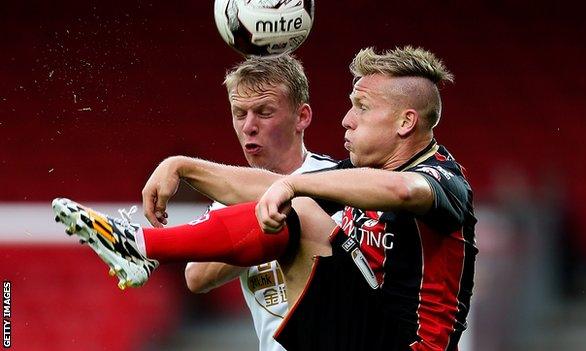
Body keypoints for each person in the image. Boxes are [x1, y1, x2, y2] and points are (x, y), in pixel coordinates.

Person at [52, 46, 477, 351]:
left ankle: (144, 246)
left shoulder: (443, 178)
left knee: (300, 210)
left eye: (361, 107)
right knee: (292, 207)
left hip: (408, 342)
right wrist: (182, 166)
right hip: (355, 332)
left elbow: (404, 191)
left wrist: (293, 186)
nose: (347, 119)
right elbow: (257, 194)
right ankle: (139, 246)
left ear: (406, 122)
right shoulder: (351, 180)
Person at [151, 54, 339, 351]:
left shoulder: (337, 181)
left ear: (302, 117)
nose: (249, 126)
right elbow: (196, 277)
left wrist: (248, 232)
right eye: (240, 114)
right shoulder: (230, 198)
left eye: (264, 112)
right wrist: (263, 226)